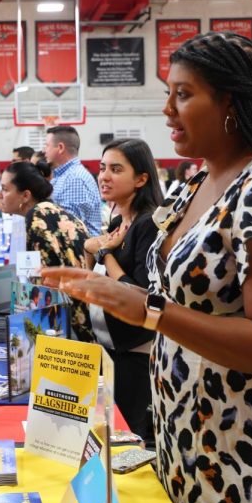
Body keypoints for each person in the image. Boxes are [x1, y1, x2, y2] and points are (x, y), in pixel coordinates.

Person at [42, 32, 252, 503]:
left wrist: (147, 310)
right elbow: (179, 300)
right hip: (195, 449)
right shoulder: (194, 185)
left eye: (183, 94)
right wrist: (119, 292)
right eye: (169, 93)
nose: (167, 109)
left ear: (230, 102)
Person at [82, 138, 162, 441]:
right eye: (102, 168)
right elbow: (97, 281)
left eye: (116, 169)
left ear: (141, 178)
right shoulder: (118, 220)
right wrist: (93, 251)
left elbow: (140, 295)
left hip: (138, 354)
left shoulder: (148, 223)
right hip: (111, 348)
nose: (104, 176)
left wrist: (105, 253)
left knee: (136, 438)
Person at [0, 161, 92, 342]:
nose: (0, 195)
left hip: (72, 328)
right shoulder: (50, 210)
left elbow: (46, 285)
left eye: (5, 189)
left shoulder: (36, 217)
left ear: (25, 195)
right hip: (82, 316)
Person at [43, 125, 103, 236]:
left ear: (60, 147)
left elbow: (69, 230)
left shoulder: (75, 179)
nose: (44, 150)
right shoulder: (63, 176)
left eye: (47, 146)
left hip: (79, 252)